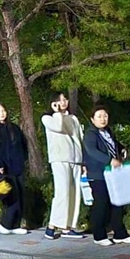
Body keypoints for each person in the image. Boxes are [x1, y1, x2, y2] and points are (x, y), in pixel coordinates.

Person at [82, 105, 130, 247]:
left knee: (117, 203)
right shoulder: (90, 134)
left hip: (112, 174)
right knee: (101, 205)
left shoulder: (108, 131)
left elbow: (113, 145)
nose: (103, 119)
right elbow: (92, 151)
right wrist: (109, 161)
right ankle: (99, 235)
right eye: (99, 116)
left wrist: (121, 148)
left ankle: (120, 234)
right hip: (98, 174)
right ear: (92, 119)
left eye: (105, 116)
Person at [41, 93, 85, 240]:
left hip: (76, 160)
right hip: (60, 159)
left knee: (75, 194)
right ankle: (52, 225)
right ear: (53, 102)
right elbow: (58, 128)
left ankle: (69, 226)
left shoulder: (73, 118)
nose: (63, 102)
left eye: (65, 99)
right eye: (59, 100)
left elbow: (80, 138)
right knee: (63, 192)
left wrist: (83, 160)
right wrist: (57, 113)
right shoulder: (48, 118)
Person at [0, 103, 28, 235]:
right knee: (10, 196)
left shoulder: (14, 128)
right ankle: (5, 224)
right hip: (3, 169)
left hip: (17, 167)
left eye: (3, 110)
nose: (2, 113)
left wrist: (23, 160)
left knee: (20, 195)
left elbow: (23, 146)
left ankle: (16, 224)